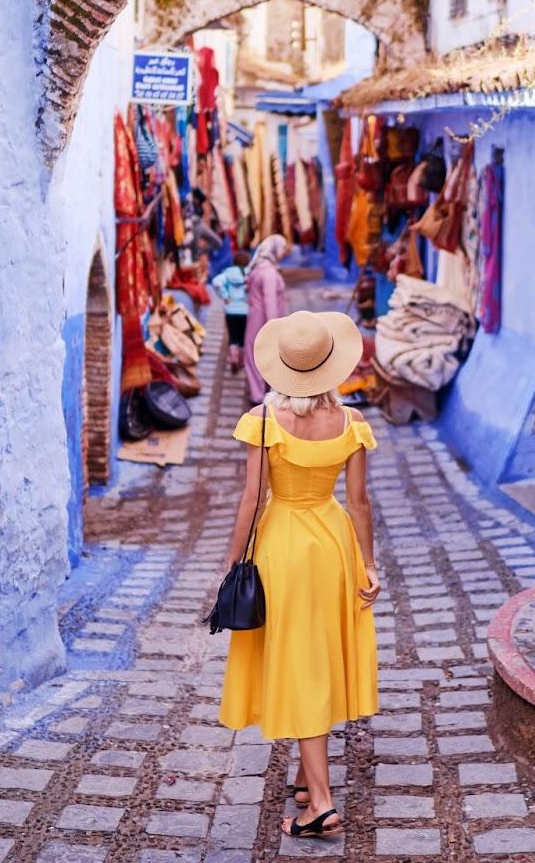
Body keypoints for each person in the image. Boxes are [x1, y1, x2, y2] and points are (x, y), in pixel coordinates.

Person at [217, 309, 380, 839]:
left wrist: (230, 563)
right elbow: (359, 502)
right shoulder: (353, 423)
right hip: (333, 547)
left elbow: (252, 497)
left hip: (283, 546)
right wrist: (370, 564)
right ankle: (311, 784)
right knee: (320, 658)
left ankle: (322, 806)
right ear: (332, 367)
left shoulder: (264, 421)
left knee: (301, 665)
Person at [242, 234, 289, 404]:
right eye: (283, 248)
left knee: (254, 354)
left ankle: (259, 392)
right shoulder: (269, 273)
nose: (284, 252)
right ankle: (260, 396)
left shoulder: (260, 267)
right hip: (263, 321)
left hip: (254, 319)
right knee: (264, 355)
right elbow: (270, 302)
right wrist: (274, 327)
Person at [210, 250, 251, 372]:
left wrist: (225, 296)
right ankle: (242, 361)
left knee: (233, 336)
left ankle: (233, 359)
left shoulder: (227, 273)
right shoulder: (249, 273)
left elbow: (216, 282)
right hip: (245, 309)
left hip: (230, 310)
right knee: (243, 337)